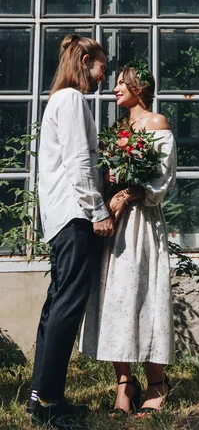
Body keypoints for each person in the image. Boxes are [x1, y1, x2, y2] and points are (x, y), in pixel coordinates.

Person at [79, 62, 176, 417]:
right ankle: (124, 382)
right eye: (116, 82)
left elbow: (163, 180)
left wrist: (128, 195)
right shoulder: (119, 129)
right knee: (113, 298)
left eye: (122, 83)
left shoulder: (157, 123)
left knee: (142, 295)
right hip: (113, 225)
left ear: (140, 87)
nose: (115, 88)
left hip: (140, 223)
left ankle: (157, 382)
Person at [30, 35, 114, 429]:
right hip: (76, 216)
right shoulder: (72, 100)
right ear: (85, 60)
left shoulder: (58, 102)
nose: (104, 76)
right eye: (102, 66)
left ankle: (40, 397)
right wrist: (98, 211)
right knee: (67, 307)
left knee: (56, 306)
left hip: (60, 217)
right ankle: (49, 404)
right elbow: (79, 162)